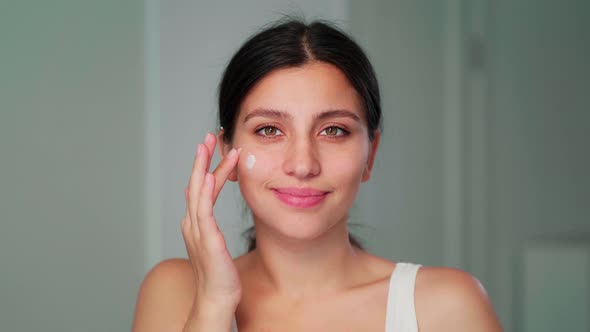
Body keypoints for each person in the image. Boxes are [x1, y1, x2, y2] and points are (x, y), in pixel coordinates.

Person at [132, 18, 503, 332]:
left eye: (334, 130)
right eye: (269, 130)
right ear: (227, 151)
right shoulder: (176, 291)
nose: (303, 164)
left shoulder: (448, 308)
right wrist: (213, 305)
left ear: (370, 155)